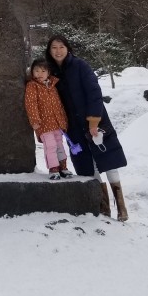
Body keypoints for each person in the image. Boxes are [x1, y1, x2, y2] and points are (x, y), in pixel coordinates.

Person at [45, 34, 130, 221]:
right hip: (72, 126)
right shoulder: (50, 73)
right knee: (87, 165)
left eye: (61, 47)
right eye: (54, 48)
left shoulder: (80, 66)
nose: (58, 51)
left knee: (108, 160)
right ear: (49, 51)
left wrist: (93, 122)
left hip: (95, 120)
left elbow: (94, 92)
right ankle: (103, 206)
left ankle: (121, 207)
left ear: (68, 48)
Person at [23, 59, 72, 179]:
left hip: (57, 123)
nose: (40, 73)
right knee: (50, 146)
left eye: (43, 71)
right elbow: (31, 104)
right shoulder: (32, 86)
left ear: (48, 72)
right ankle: (53, 169)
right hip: (44, 124)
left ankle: (63, 167)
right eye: (37, 70)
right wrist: (34, 120)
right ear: (32, 72)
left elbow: (59, 105)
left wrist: (63, 120)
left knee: (60, 145)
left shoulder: (52, 85)